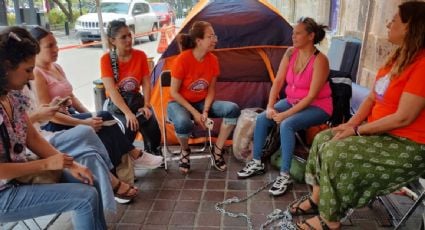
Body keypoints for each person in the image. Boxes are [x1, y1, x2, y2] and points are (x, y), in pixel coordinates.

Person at [289, 2, 425, 229]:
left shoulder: (421, 65)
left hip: (407, 144)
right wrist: (350, 124)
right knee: (323, 138)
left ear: (412, 27)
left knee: (335, 151)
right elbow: (372, 98)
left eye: (395, 20)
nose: (388, 23)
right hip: (381, 132)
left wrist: (357, 130)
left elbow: (403, 118)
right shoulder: (398, 58)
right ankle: (317, 199)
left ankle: (330, 219)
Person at [0, 26, 106, 230]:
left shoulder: (13, 95)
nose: (31, 77)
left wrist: (71, 165)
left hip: (20, 178)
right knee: (83, 198)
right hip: (4, 193)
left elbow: (32, 137)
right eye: (28, 70)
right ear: (6, 67)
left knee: (89, 180)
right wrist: (47, 164)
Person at [29, 27, 163, 181]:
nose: (56, 49)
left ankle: (122, 175)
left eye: (56, 44)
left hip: (71, 115)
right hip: (56, 125)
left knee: (104, 124)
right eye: (50, 46)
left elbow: (71, 96)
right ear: (36, 49)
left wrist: (90, 114)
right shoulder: (37, 74)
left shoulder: (56, 67)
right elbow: (50, 117)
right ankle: (130, 161)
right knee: (107, 122)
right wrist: (84, 122)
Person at [237, 17, 332, 196]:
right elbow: (278, 80)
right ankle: (257, 162)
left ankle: (285, 175)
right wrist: (271, 106)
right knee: (262, 117)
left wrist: (285, 114)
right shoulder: (291, 53)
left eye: (298, 33)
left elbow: (311, 96)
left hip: (317, 106)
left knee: (287, 124)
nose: (293, 36)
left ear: (311, 36)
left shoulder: (320, 60)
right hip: (293, 101)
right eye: (293, 33)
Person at [23, 82, 138, 204]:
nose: (31, 75)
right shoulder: (13, 91)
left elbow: (40, 122)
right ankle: (114, 178)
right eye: (28, 70)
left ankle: (111, 181)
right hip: (36, 143)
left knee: (90, 143)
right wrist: (38, 116)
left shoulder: (26, 84)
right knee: (88, 138)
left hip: (43, 135)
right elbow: (27, 133)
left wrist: (51, 109)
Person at [168, 21, 241, 174]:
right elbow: (174, 92)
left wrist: (205, 111)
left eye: (215, 35)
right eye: (211, 36)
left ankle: (217, 151)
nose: (215, 39)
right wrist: (195, 114)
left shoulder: (213, 60)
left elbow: (211, 89)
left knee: (232, 109)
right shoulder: (182, 60)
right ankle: (185, 151)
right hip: (178, 103)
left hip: (201, 102)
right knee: (183, 123)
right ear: (199, 41)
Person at [100, 20, 162, 156]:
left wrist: (146, 105)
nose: (129, 39)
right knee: (129, 126)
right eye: (123, 37)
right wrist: (128, 113)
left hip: (136, 100)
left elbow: (146, 83)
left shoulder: (140, 56)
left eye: (129, 35)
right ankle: (125, 161)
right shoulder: (107, 60)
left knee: (152, 125)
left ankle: (153, 152)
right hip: (117, 105)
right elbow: (112, 91)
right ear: (112, 41)